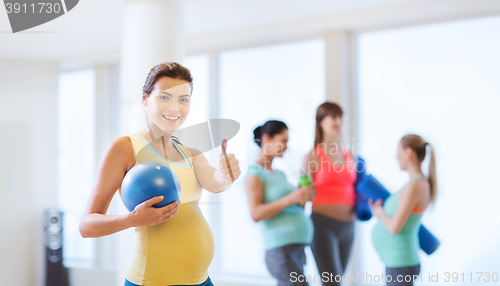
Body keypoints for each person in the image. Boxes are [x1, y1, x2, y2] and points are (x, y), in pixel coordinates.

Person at [79, 62, 241, 286]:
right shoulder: (124, 148)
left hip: (202, 281)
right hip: (153, 281)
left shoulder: (189, 153)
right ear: (145, 98)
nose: (175, 108)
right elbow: (86, 226)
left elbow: (215, 183)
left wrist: (227, 173)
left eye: (183, 99)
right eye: (165, 97)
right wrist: (132, 219)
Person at [245, 120, 314, 286]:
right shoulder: (255, 173)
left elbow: (295, 208)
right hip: (281, 250)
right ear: (268, 138)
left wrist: (302, 197)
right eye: (283, 141)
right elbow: (255, 213)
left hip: (297, 248)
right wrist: (291, 198)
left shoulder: (280, 174)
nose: (286, 146)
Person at [369, 134, 437, 286]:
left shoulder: (416, 186)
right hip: (399, 262)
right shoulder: (416, 184)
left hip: (401, 263)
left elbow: (394, 227)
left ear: (409, 153)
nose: (396, 157)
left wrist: (380, 213)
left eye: (398, 151)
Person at [301, 102, 356, 285]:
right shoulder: (312, 156)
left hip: (349, 227)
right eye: (333, 116)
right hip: (322, 227)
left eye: (340, 116)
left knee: (337, 281)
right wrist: (299, 240)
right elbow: (301, 198)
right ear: (320, 122)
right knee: (332, 283)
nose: (338, 121)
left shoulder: (350, 156)